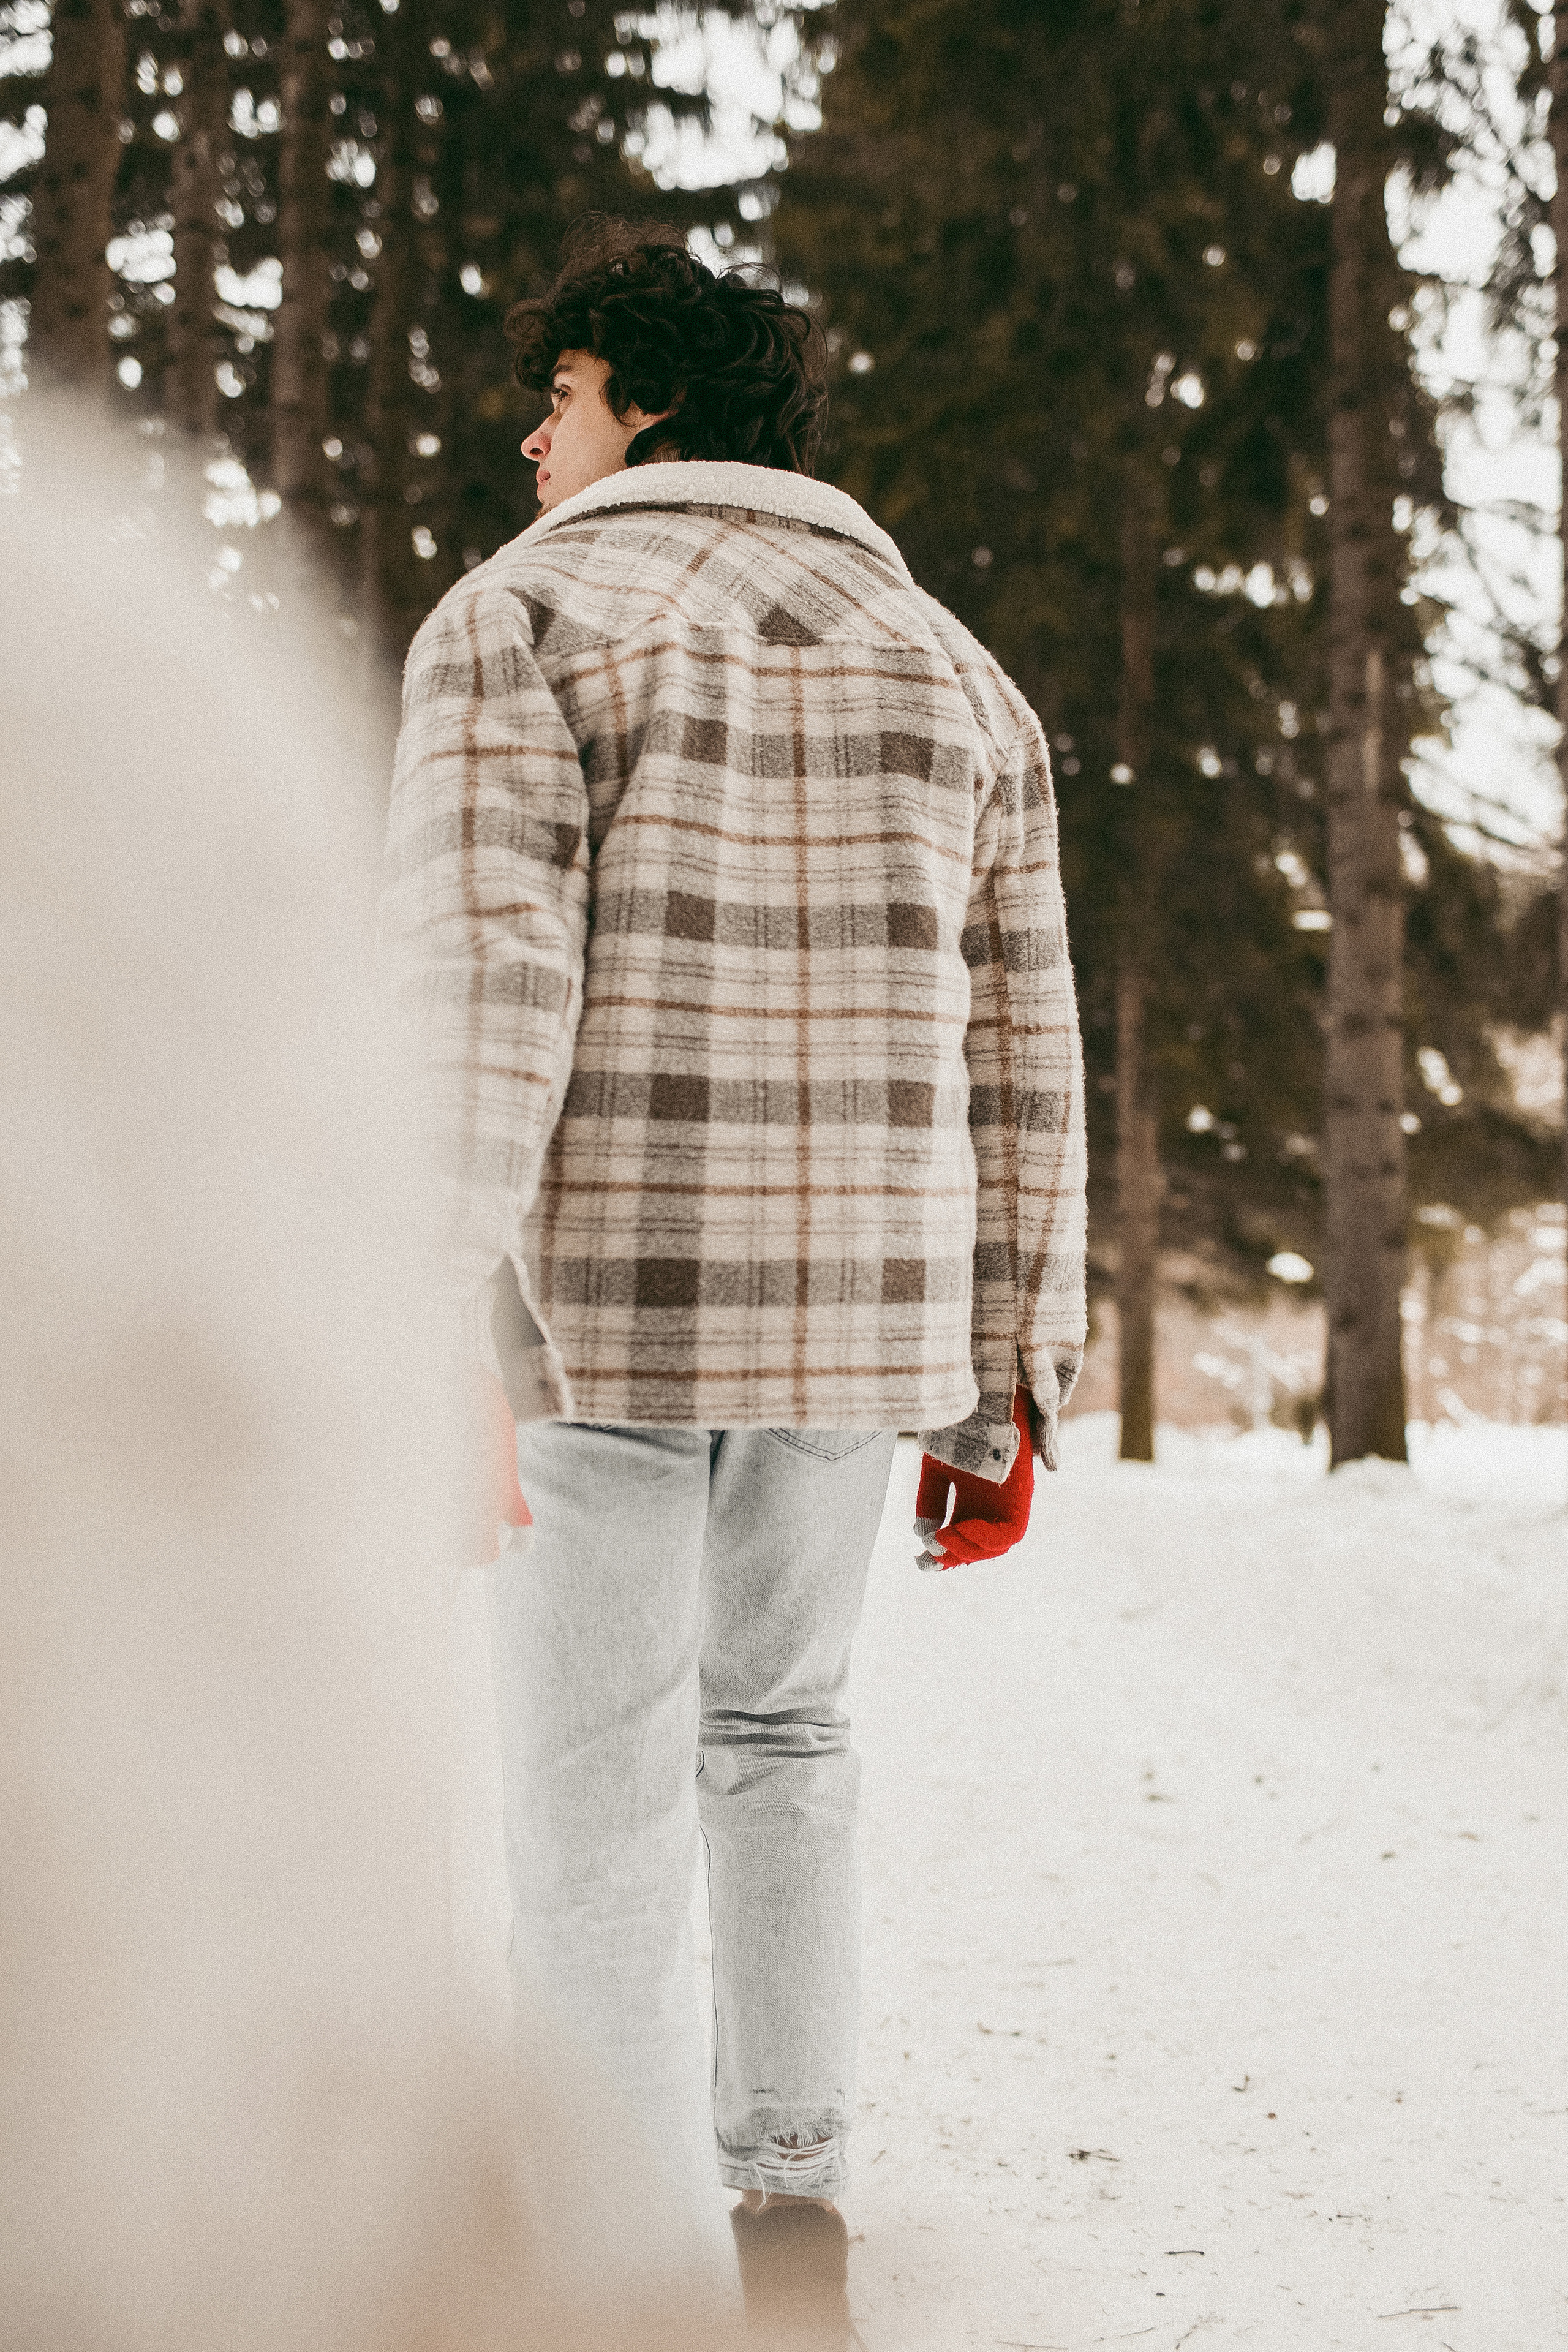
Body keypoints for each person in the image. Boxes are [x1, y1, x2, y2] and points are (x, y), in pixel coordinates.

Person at [379, 217, 1088, 2339]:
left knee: (588, 1794)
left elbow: (483, 987)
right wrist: (1003, 1381)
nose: (530, 437)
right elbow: (1022, 1038)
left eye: (561, 395)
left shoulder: (520, 622)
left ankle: (598, 2267)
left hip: (606, 1298)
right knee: (784, 1740)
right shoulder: (953, 662)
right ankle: (792, 2225)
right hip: (851, 1319)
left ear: (647, 402)